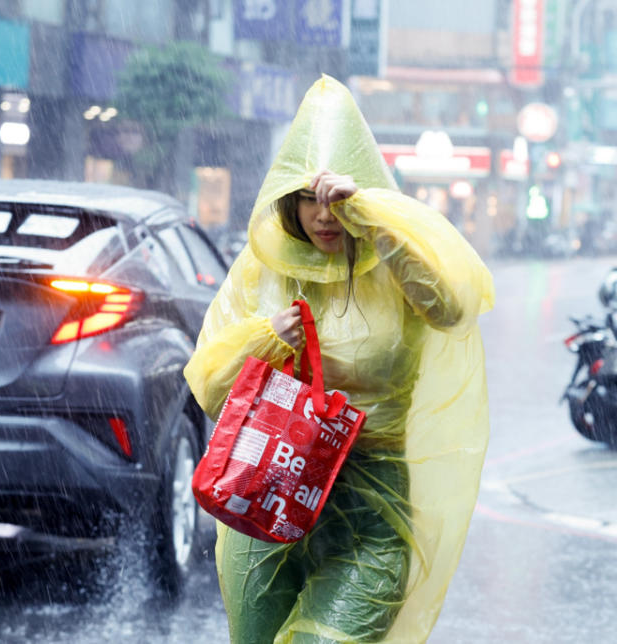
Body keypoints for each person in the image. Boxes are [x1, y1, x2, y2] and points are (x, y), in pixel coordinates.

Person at [183, 75, 494, 643]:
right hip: (268, 491)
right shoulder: (263, 270)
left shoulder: (396, 267)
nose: (322, 215)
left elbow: (452, 308)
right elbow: (208, 386)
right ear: (286, 203)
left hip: (372, 506)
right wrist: (264, 338)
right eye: (306, 198)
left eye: (333, 200)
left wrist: (375, 221)